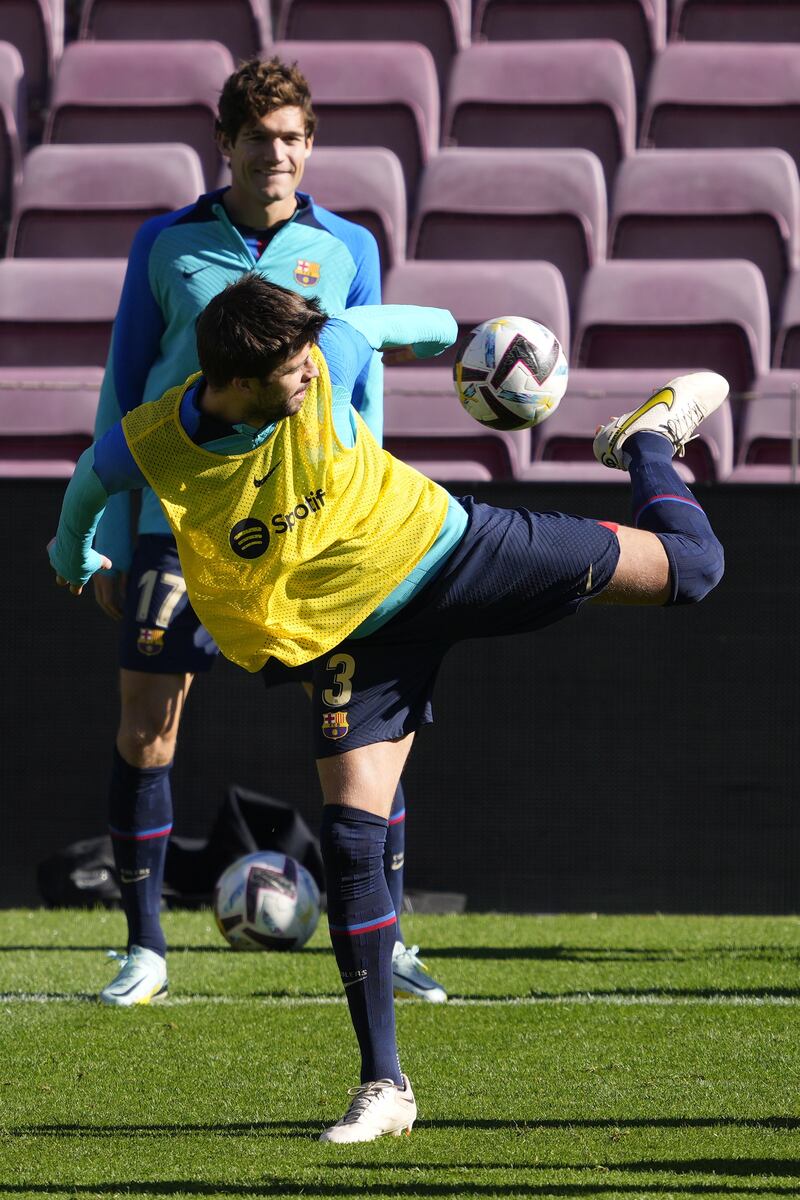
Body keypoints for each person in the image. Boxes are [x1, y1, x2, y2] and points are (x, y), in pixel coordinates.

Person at [49, 275, 725, 1143]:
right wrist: (77, 561)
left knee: (694, 572)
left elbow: (378, 325)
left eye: (307, 360)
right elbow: (83, 487)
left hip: (452, 552)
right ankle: (386, 1085)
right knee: (349, 837)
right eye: (292, 370)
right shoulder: (154, 443)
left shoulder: (319, 356)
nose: (310, 378)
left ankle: (648, 445)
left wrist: (461, 333)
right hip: (353, 639)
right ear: (242, 382)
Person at [90, 56, 446, 1007]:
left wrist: (369, 518)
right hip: (184, 520)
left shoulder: (349, 246)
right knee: (148, 725)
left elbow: (363, 395)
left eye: (292, 138)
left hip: (312, 528)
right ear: (227, 145)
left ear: (310, 144)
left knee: (364, 734)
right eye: (258, 139)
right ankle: (146, 948)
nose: (275, 155)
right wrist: (107, 537)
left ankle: (392, 937)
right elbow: (123, 391)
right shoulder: (165, 245)